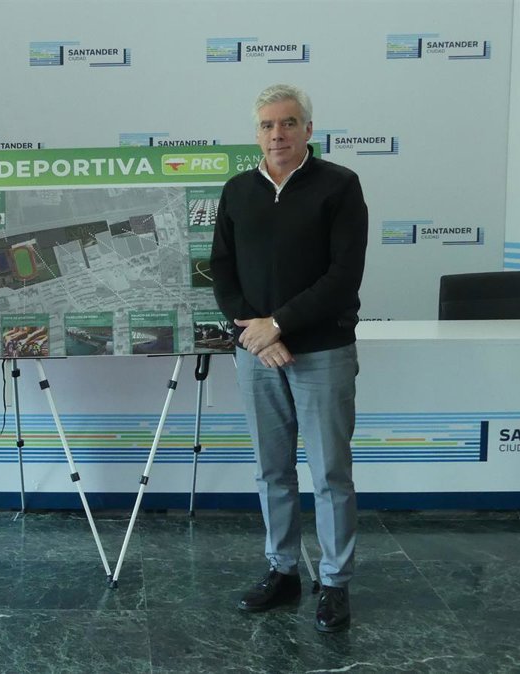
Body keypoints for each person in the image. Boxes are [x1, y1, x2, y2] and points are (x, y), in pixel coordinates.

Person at [209, 84, 367, 633]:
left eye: (288, 123)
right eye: (267, 125)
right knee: (272, 471)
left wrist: (278, 324)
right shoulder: (237, 191)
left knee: (330, 473)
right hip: (257, 354)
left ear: (308, 129)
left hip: (323, 351)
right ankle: (283, 571)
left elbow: (343, 276)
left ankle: (334, 582)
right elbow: (221, 270)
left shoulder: (339, 186)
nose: (277, 134)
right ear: (256, 133)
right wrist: (258, 333)